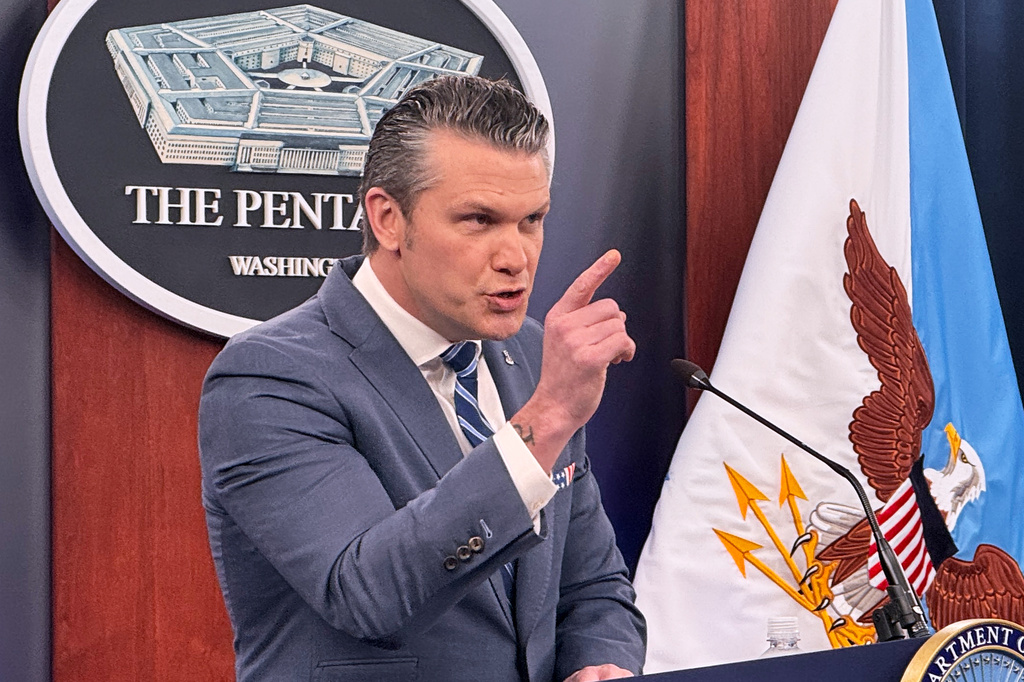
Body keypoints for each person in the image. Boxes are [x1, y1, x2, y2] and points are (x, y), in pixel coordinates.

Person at [198, 74, 646, 682]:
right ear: (388, 219)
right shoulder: (271, 375)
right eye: (479, 219)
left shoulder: (533, 356)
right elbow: (365, 594)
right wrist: (546, 420)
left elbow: (592, 586)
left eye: (532, 219)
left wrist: (598, 662)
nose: (516, 257)